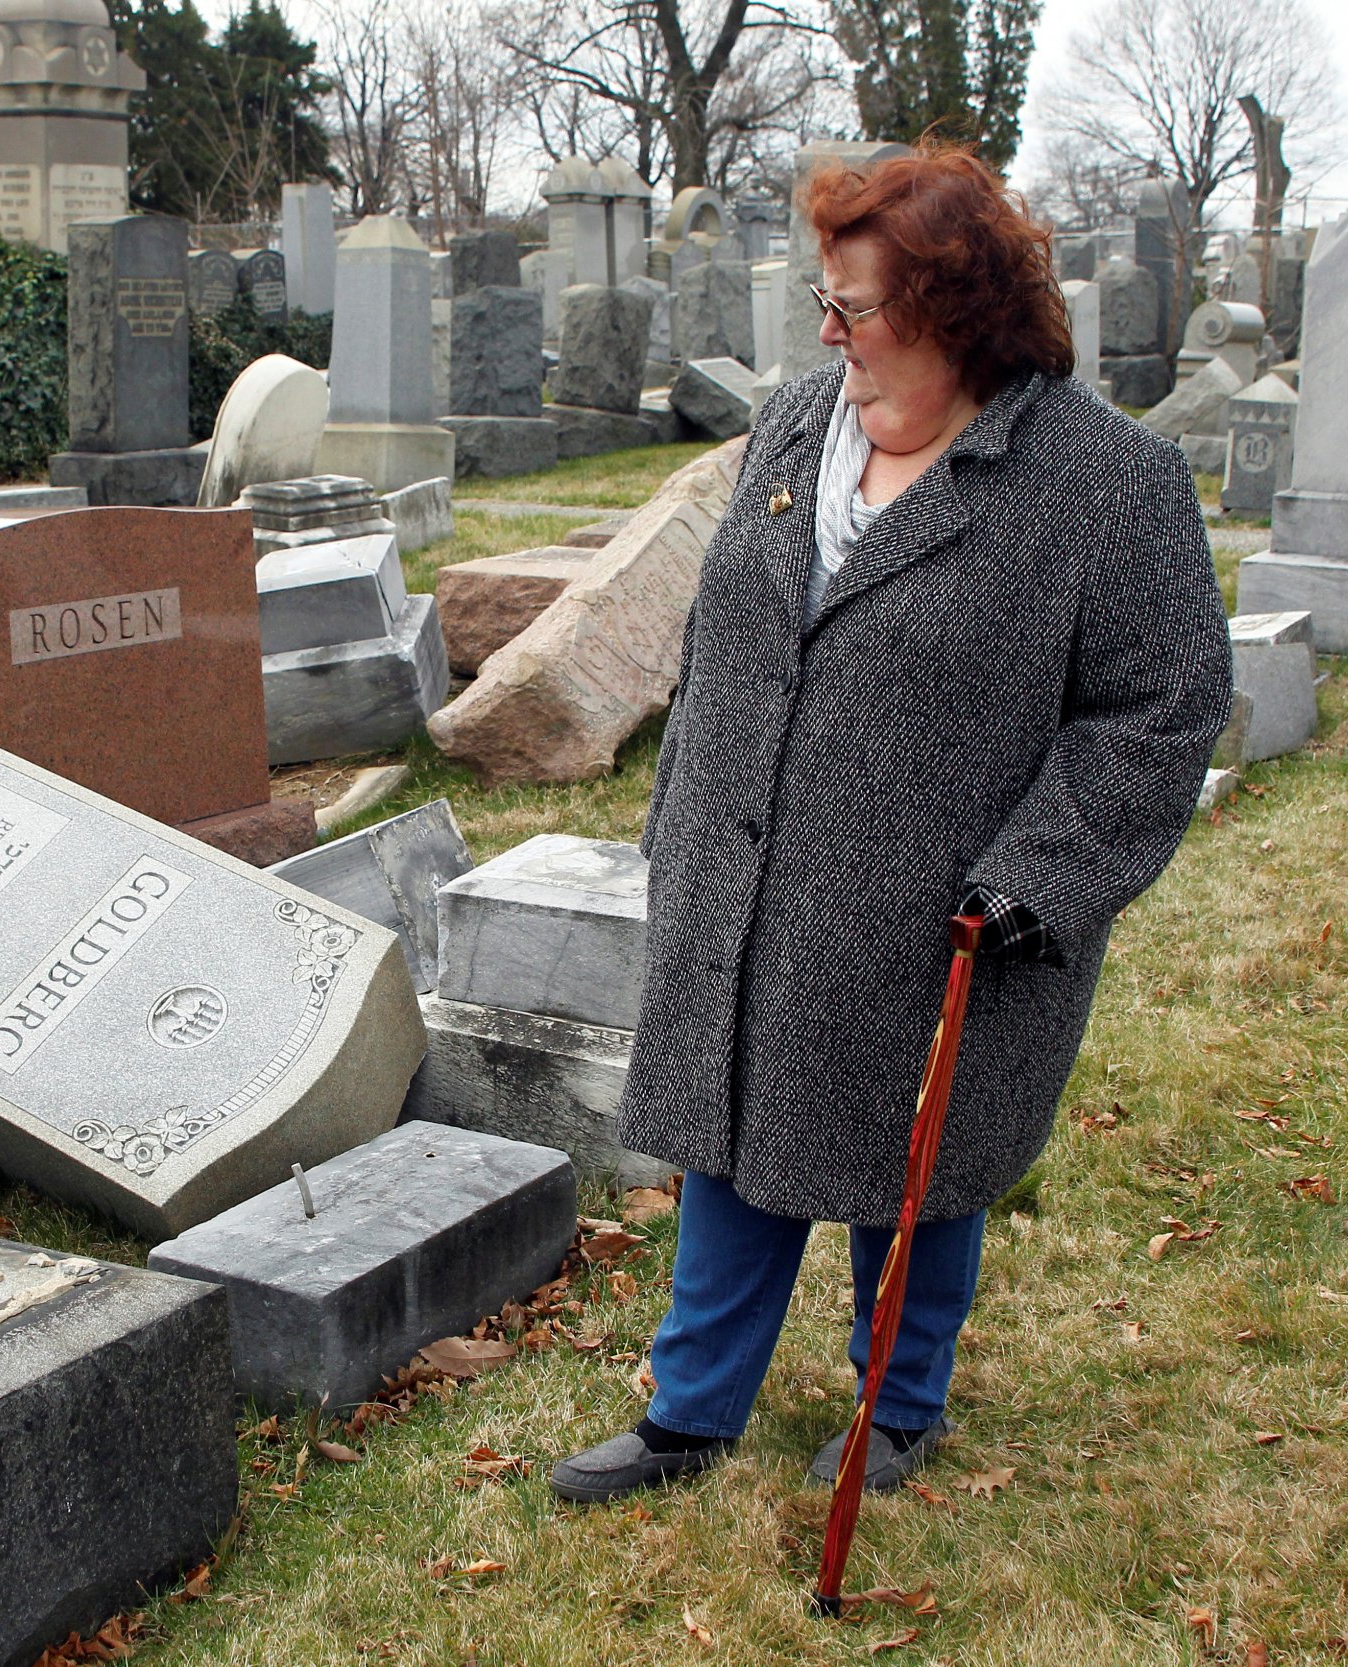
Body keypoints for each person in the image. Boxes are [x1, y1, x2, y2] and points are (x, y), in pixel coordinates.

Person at [550, 144, 1232, 1505]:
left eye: (854, 307)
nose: (827, 331)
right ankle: (690, 1417)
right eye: (828, 300)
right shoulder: (804, 424)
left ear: (953, 313)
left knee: (915, 1171)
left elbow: (1160, 710)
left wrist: (1037, 879)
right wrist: (679, 812)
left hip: (945, 907)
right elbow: (728, 635)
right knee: (733, 1140)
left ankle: (898, 1408)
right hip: (743, 873)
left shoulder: (1105, 484)